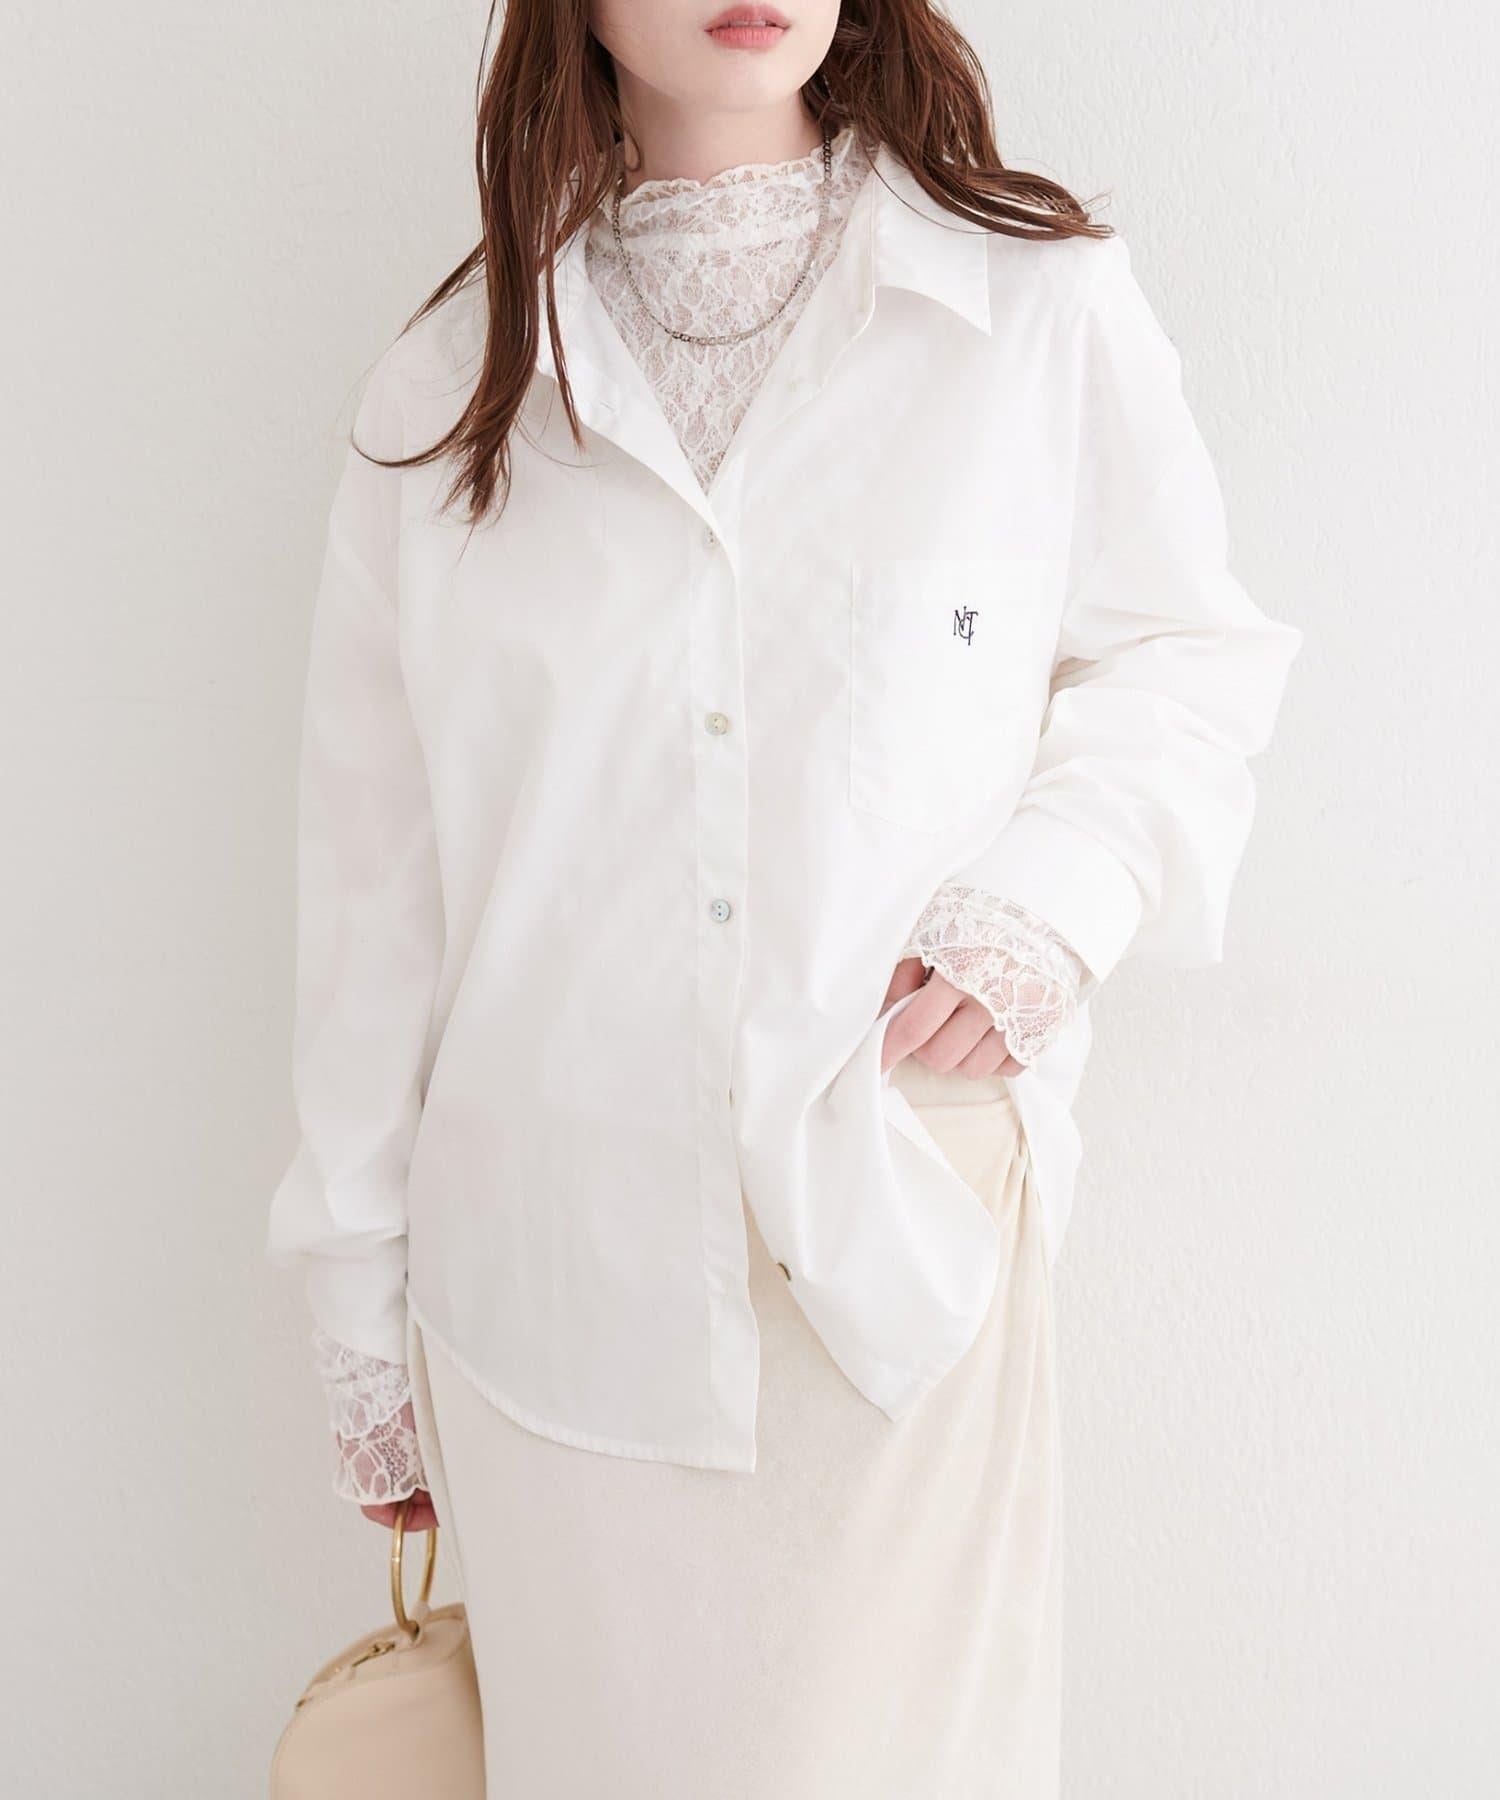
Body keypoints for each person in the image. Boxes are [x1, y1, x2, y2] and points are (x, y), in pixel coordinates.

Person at [267, 1, 1301, 1792]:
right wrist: (355, 1298)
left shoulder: (1032, 308)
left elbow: (1187, 659)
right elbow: (377, 885)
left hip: (893, 1257)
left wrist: (1046, 909)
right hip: (552, 1285)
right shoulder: (445, 392)